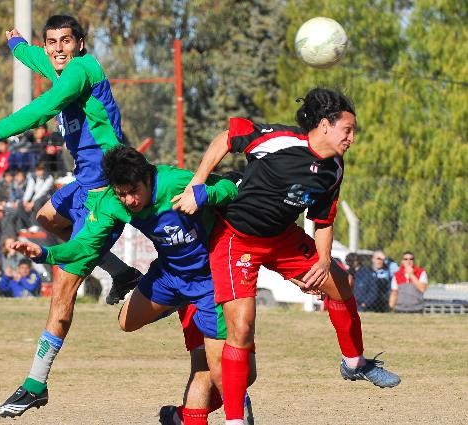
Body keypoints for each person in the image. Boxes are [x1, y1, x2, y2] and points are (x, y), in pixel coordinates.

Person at [172, 88, 401, 424]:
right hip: (237, 239)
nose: (351, 138)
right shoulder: (280, 140)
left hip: (281, 238)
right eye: (347, 130)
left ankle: (354, 362)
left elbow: (322, 220)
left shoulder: (334, 168)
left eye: (353, 132)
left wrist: (323, 262)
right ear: (324, 125)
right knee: (242, 328)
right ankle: (234, 420)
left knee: (339, 282)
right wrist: (197, 183)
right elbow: (227, 137)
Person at [0, 147, 256, 424]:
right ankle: (179, 307)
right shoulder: (112, 202)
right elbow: (86, 245)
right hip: (169, 275)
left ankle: (235, 402)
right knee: (126, 321)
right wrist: (46, 254)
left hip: (209, 281)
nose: (130, 200)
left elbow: (230, 187)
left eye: (134, 191)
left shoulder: (174, 181)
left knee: (219, 370)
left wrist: (204, 194)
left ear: (148, 177)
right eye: (122, 193)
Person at [0, 14, 140, 416]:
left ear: (81, 43)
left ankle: (34, 384)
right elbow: (35, 59)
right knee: (46, 218)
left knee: (61, 293)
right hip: (83, 185)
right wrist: (17, 45)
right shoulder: (62, 64)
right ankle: (120, 271)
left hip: (103, 194)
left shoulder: (81, 69)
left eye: (66, 40)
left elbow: (44, 108)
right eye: (52, 42)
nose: (57, 48)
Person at [16, 162, 54, 232]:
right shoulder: (32, 177)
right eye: (37, 170)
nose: (38, 172)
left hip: (46, 197)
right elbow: (29, 189)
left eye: (41, 170)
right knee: (20, 204)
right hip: (35, 197)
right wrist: (25, 201)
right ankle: (25, 225)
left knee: (37, 203)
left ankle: (37, 225)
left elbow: (43, 191)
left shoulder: (49, 178)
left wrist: (32, 202)